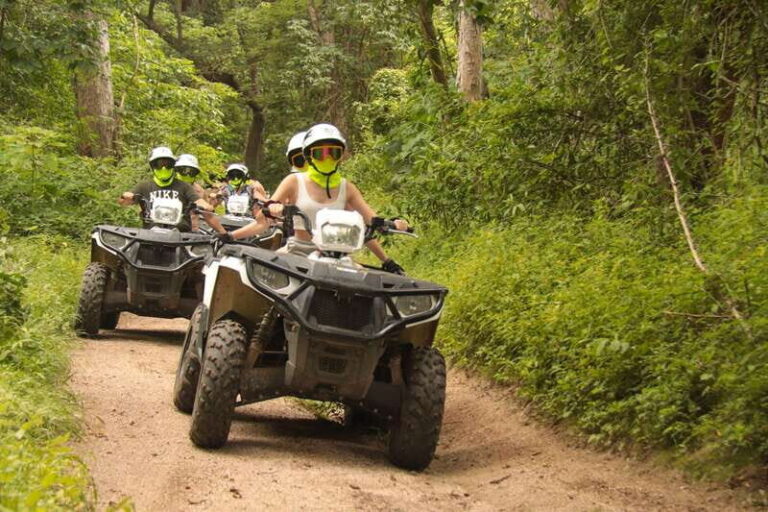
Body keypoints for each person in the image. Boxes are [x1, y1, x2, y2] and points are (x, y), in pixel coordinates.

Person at [223, 123, 407, 273]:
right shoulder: (293, 182)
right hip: (297, 252)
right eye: (320, 153)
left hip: (339, 257)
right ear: (310, 156)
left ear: (341, 157)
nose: (327, 158)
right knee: (264, 283)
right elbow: (262, 221)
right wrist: (230, 235)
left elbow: (370, 221)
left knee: (368, 294)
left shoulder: (347, 188)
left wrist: (391, 235)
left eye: (333, 152)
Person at [118, 146, 224, 233]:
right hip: (150, 234)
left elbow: (198, 200)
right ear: (153, 166)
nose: (163, 168)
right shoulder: (144, 186)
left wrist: (224, 233)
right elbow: (123, 202)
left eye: (167, 165)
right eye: (159, 165)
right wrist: (125, 197)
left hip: (181, 236)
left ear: (173, 166)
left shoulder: (184, 186)